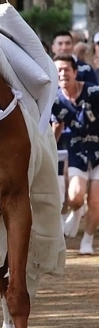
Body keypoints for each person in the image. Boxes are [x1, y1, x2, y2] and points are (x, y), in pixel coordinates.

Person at [52, 54, 99, 255]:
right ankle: (76, 211)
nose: (62, 74)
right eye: (58, 70)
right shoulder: (55, 99)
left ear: (75, 72)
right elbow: (57, 126)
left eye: (66, 69)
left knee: (96, 199)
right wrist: (48, 150)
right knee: (75, 197)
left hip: (98, 148)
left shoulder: (93, 92)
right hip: (76, 149)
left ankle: (87, 239)